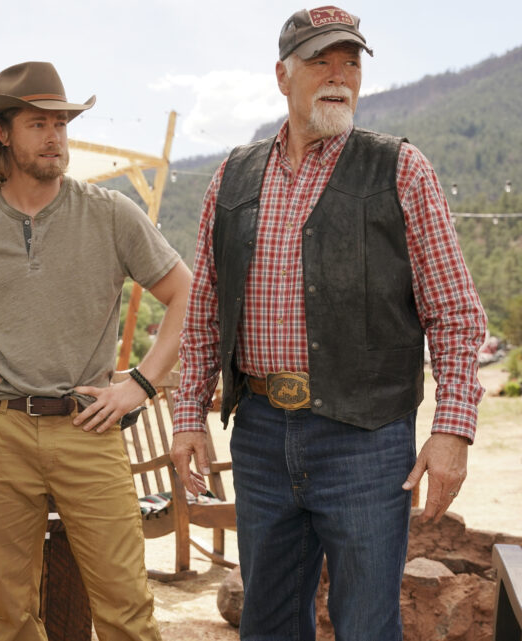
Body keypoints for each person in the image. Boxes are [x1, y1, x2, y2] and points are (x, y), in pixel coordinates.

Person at [171, 6, 487, 641]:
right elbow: (204, 309)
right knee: (267, 622)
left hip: (367, 439)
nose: (340, 75)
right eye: (321, 62)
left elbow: (455, 313)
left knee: (366, 624)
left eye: (350, 62)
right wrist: (187, 416)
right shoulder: (232, 176)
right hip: (260, 433)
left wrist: (453, 429)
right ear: (282, 76)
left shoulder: (401, 169)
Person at [0, 61, 191, 641]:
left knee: (126, 608)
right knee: (9, 613)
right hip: (0, 433)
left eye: (61, 123)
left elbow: (188, 293)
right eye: (39, 123)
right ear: (2, 133)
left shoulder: (111, 213)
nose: (55, 136)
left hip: (90, 430)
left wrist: (141, 383)